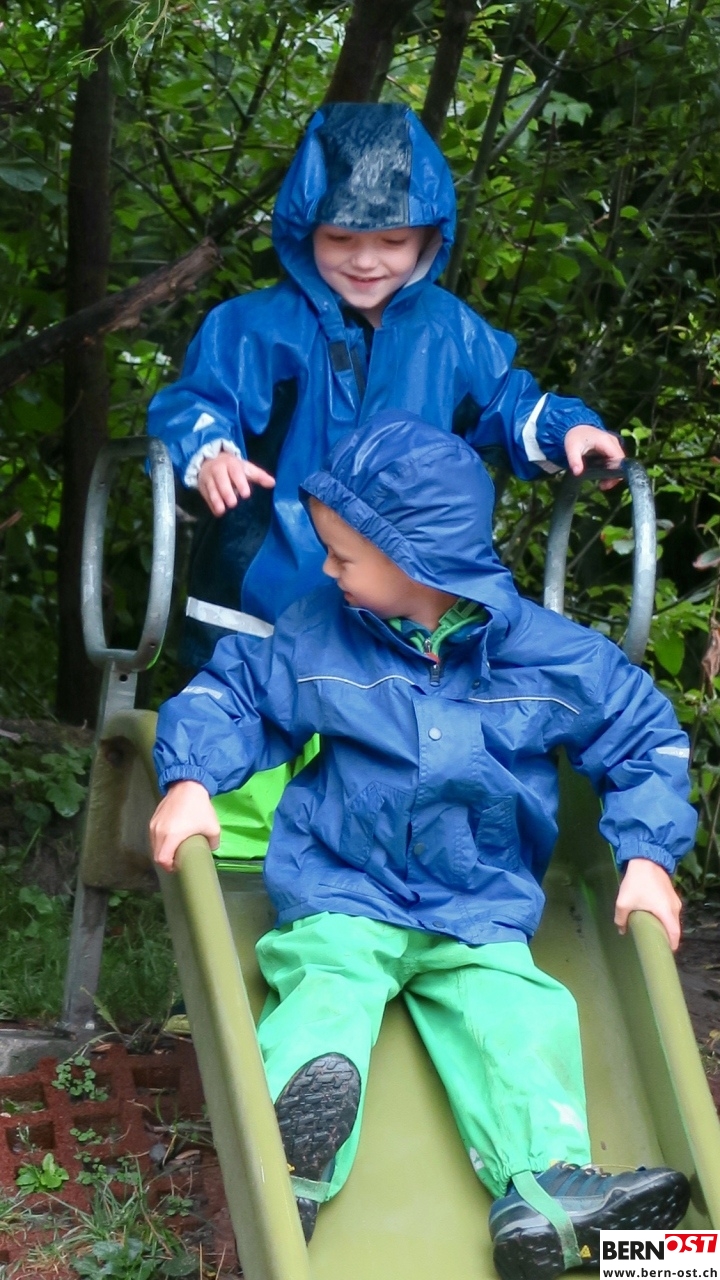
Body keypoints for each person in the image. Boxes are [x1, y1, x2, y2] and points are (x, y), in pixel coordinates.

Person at [150, 412, 695, 1280]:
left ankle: (546, 1194)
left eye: (342, 556)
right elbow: (235, 696)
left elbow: (644, 738)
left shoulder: (547, 659)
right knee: (324, 994)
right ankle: (290, 1160)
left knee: (520, 1018)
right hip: (344, 886)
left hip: (477, 904)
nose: (327, 570)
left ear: (418, 560)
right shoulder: (319, 634)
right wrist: (189, 779)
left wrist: (648, 859)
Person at [147, 101, 623, 674]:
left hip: (405, 606)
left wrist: (569, 429)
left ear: (428, 238)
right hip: (262, 604)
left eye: (393, 240)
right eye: (340, 238)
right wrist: (210, 453)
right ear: (305, 230)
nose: (366, 261)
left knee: (397, 716)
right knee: (240, 716)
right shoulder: (255, 327)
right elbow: (196, 403)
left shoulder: (450, 332)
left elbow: (507, 403)